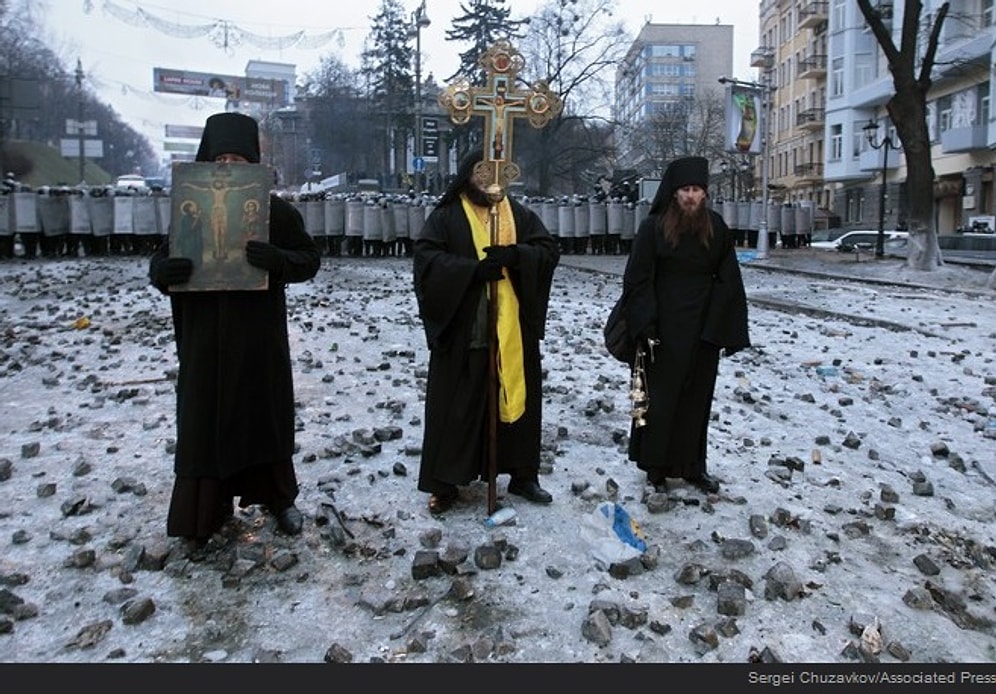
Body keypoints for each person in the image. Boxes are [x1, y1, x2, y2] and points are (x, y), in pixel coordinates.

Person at [148, 112, 321, 541]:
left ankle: (280, 499)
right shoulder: (190, 203)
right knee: (204, 418)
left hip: (257, 336)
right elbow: (160, 260)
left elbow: (308, 260)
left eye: (239, 158)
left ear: (254, 164)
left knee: (263, 412)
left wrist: (278, 261)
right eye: (221, 156)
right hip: (204, 337)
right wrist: (163, 272)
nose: (229, 165)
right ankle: (204, 513)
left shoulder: (274, 210)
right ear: (208, 159)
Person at [413, 154, 560, 514]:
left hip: (512, 329)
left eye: (494, 176)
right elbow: (427, 261)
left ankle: (524, 475)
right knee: (457, 407)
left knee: (518, 400)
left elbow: (547, 250)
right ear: (467, 177)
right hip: (466, 330)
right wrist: (472, 271)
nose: (488, 183)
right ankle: (445, 483)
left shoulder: (518, 214)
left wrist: (514, 256)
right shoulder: (446, 216)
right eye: (481, 175)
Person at [622, 155, 750, 495]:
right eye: (685, 190)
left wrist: (723, 326)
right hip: (662, 329)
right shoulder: (652, 228)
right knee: (659, 401)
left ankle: (693, 466)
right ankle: (656, 469)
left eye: (697, 190)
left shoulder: (716, 227)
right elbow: (638, 278)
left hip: (703, 329)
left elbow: (728, 278)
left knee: (697, 401)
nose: (692, 197)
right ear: (673, 193)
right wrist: (645, 324)